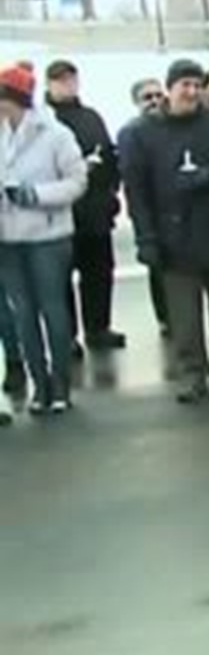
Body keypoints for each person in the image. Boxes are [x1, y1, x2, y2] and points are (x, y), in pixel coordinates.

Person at [125, 60, 209, 404]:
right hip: (175, 235)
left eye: (197, 85)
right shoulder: (142, 133)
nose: (192, 91)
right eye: (185, 84)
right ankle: (192, 372)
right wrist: (146, 237)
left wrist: (208, 176)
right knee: (185, 316)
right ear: (170, 88)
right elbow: (137, 191)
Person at [0, 63, 88, 417]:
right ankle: (39, 383)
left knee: (52, 307)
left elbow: (77, 180)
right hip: (7, 237)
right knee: (23, 313)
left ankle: (61, 383)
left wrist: (35, 194)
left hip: (47, 234)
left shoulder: (55, 133)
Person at [44, 59, 124, 354]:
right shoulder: (44, 121)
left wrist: (110, 190)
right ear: (49, 84)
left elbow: (108, 153)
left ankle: (98, 327)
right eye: (59, 80)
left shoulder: (91, 116)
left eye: (70, 80)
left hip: (95, 210)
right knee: (61, 279)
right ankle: (66, 336)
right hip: (61, 213)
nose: (66, 85)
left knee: (99, 271)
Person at [119, 78, 169, 342]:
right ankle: (164, 318)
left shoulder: (171, 127)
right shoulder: (131, 133)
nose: (154, 101)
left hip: (176, 209)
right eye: (147, 97)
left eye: (158, 95)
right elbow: (132, 181)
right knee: (158, 269)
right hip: (149, 207)